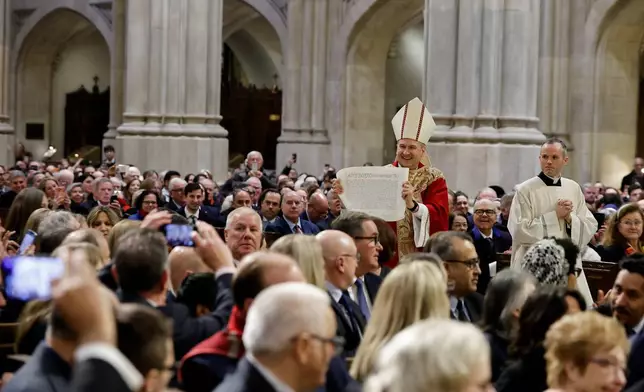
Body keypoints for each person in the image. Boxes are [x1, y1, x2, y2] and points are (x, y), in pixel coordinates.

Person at [335, 98, 449, 267]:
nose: (406, 152)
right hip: (388, 252)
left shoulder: (433, 177)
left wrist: (413, 205)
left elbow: (440, 216)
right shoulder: (384, 174)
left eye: (411, 147)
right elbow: (364, 211)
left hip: (419, 256)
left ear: (422, 150)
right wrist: (344, 195)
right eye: (402, 146)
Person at [508, 138, 597, 287]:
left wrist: (569, 218)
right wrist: (555, 216)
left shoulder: (573, 188)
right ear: (539, 158)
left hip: (566, 263)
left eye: (554, 157)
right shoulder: (525, 189)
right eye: (545, 157)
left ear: (565, 160)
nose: (548, 161)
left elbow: (589, 226)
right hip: (533, 265)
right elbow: (518, 230)